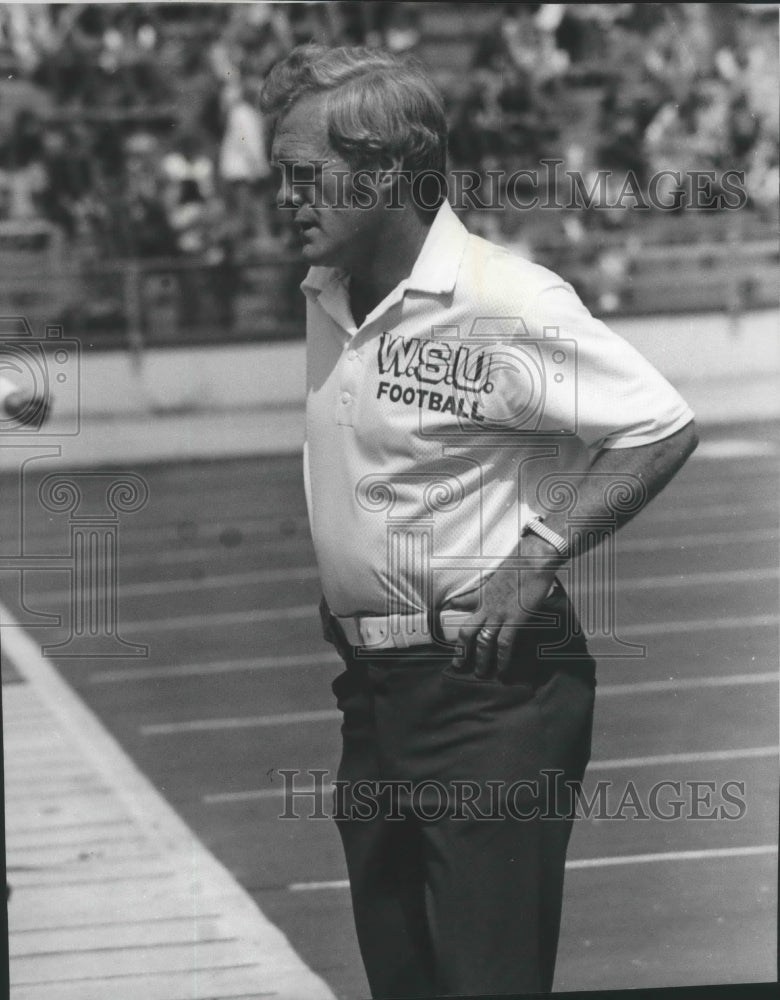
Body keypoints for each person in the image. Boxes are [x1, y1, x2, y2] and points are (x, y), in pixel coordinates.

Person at [261, 45, 698, 999]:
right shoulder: (328, 290)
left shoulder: (503, 298)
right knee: (405, 980)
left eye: (306, 177)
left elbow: (659, 425)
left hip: (488, 691)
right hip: (372, 696)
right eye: (280, 175)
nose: (284, 197)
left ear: (388, 173)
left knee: (485, 981)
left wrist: (541, 554)